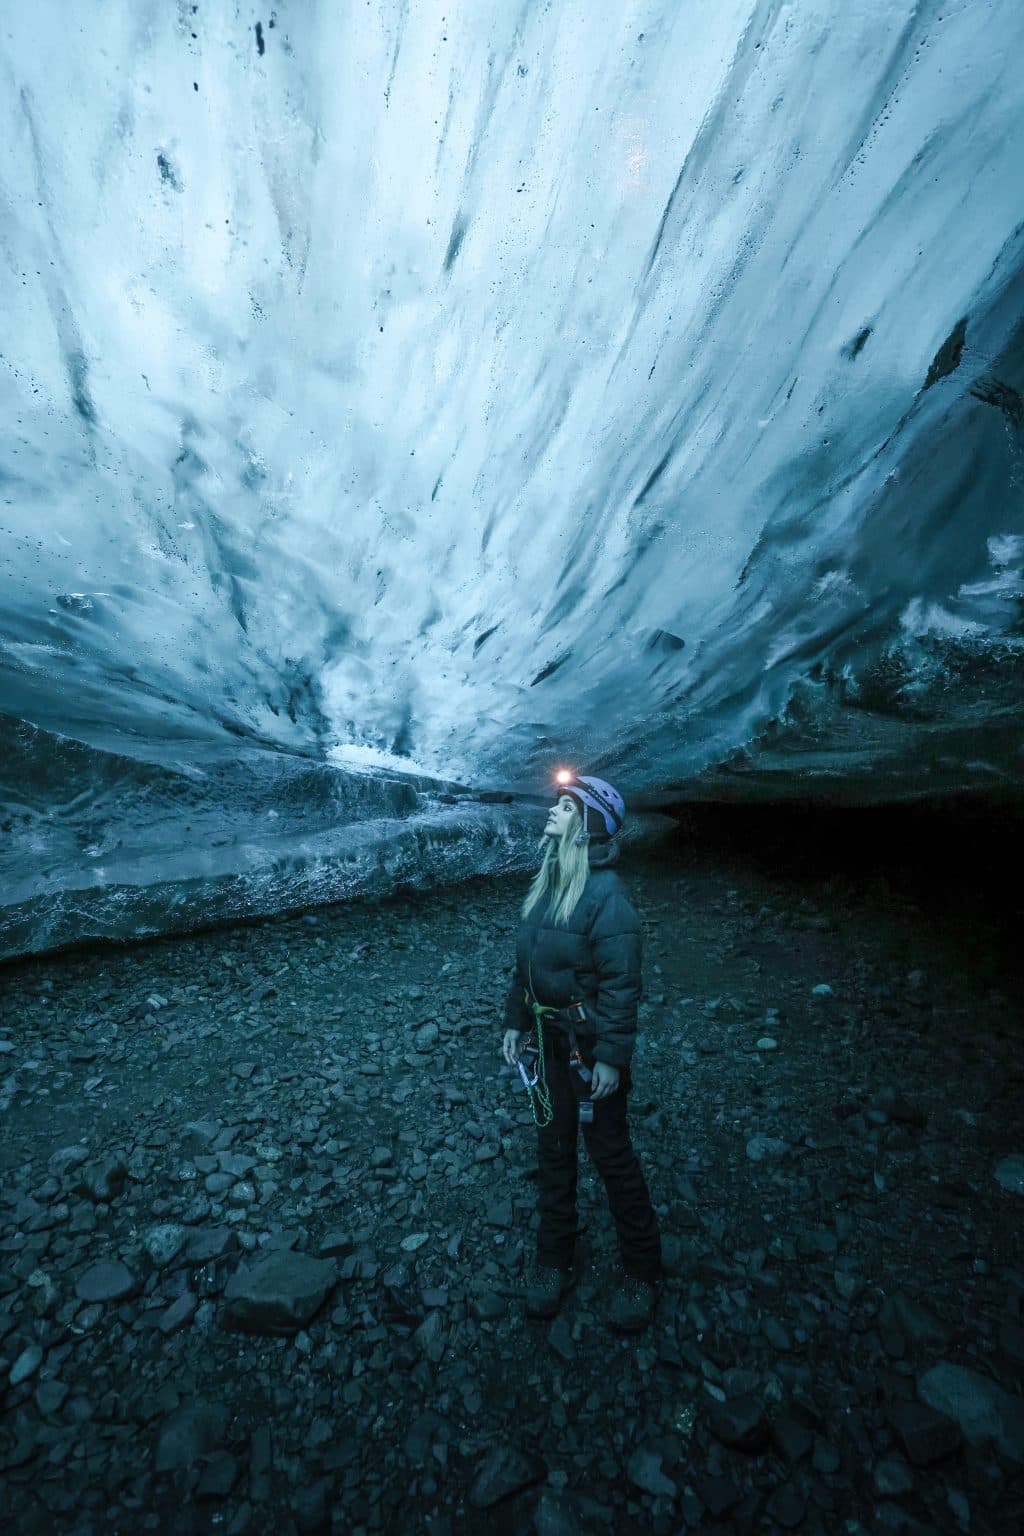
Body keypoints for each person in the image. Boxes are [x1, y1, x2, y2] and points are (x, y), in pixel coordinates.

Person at [501, 772, 663, 1334]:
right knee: (553, 1148)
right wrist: (517, 1022)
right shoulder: (548, 886)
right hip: (548, 1045)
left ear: (588, 823)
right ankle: (554, 1259)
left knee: (611, 1155)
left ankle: (643, 1269)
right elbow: (528, 967)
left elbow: (622, 986)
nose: (554, 810)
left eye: (566, 806)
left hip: (587, 1052)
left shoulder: (608, 902)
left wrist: (611, 1059)